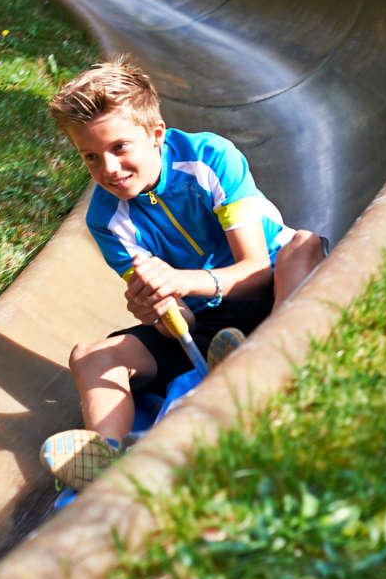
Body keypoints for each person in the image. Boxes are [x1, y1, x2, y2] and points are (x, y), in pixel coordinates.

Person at [39, 58, 325, 489]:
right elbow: (182, 322)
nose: (109, 170)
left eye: (119, 148)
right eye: (91, 158)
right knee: (91, 355)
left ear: (156, 135)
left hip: (272, 289)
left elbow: (257, 270)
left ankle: (273, 358)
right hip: (208, 324)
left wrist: (181, 280)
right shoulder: (106, 218)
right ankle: (108, 459)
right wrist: (159, 311)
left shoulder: (209, 158)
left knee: (302, 246)